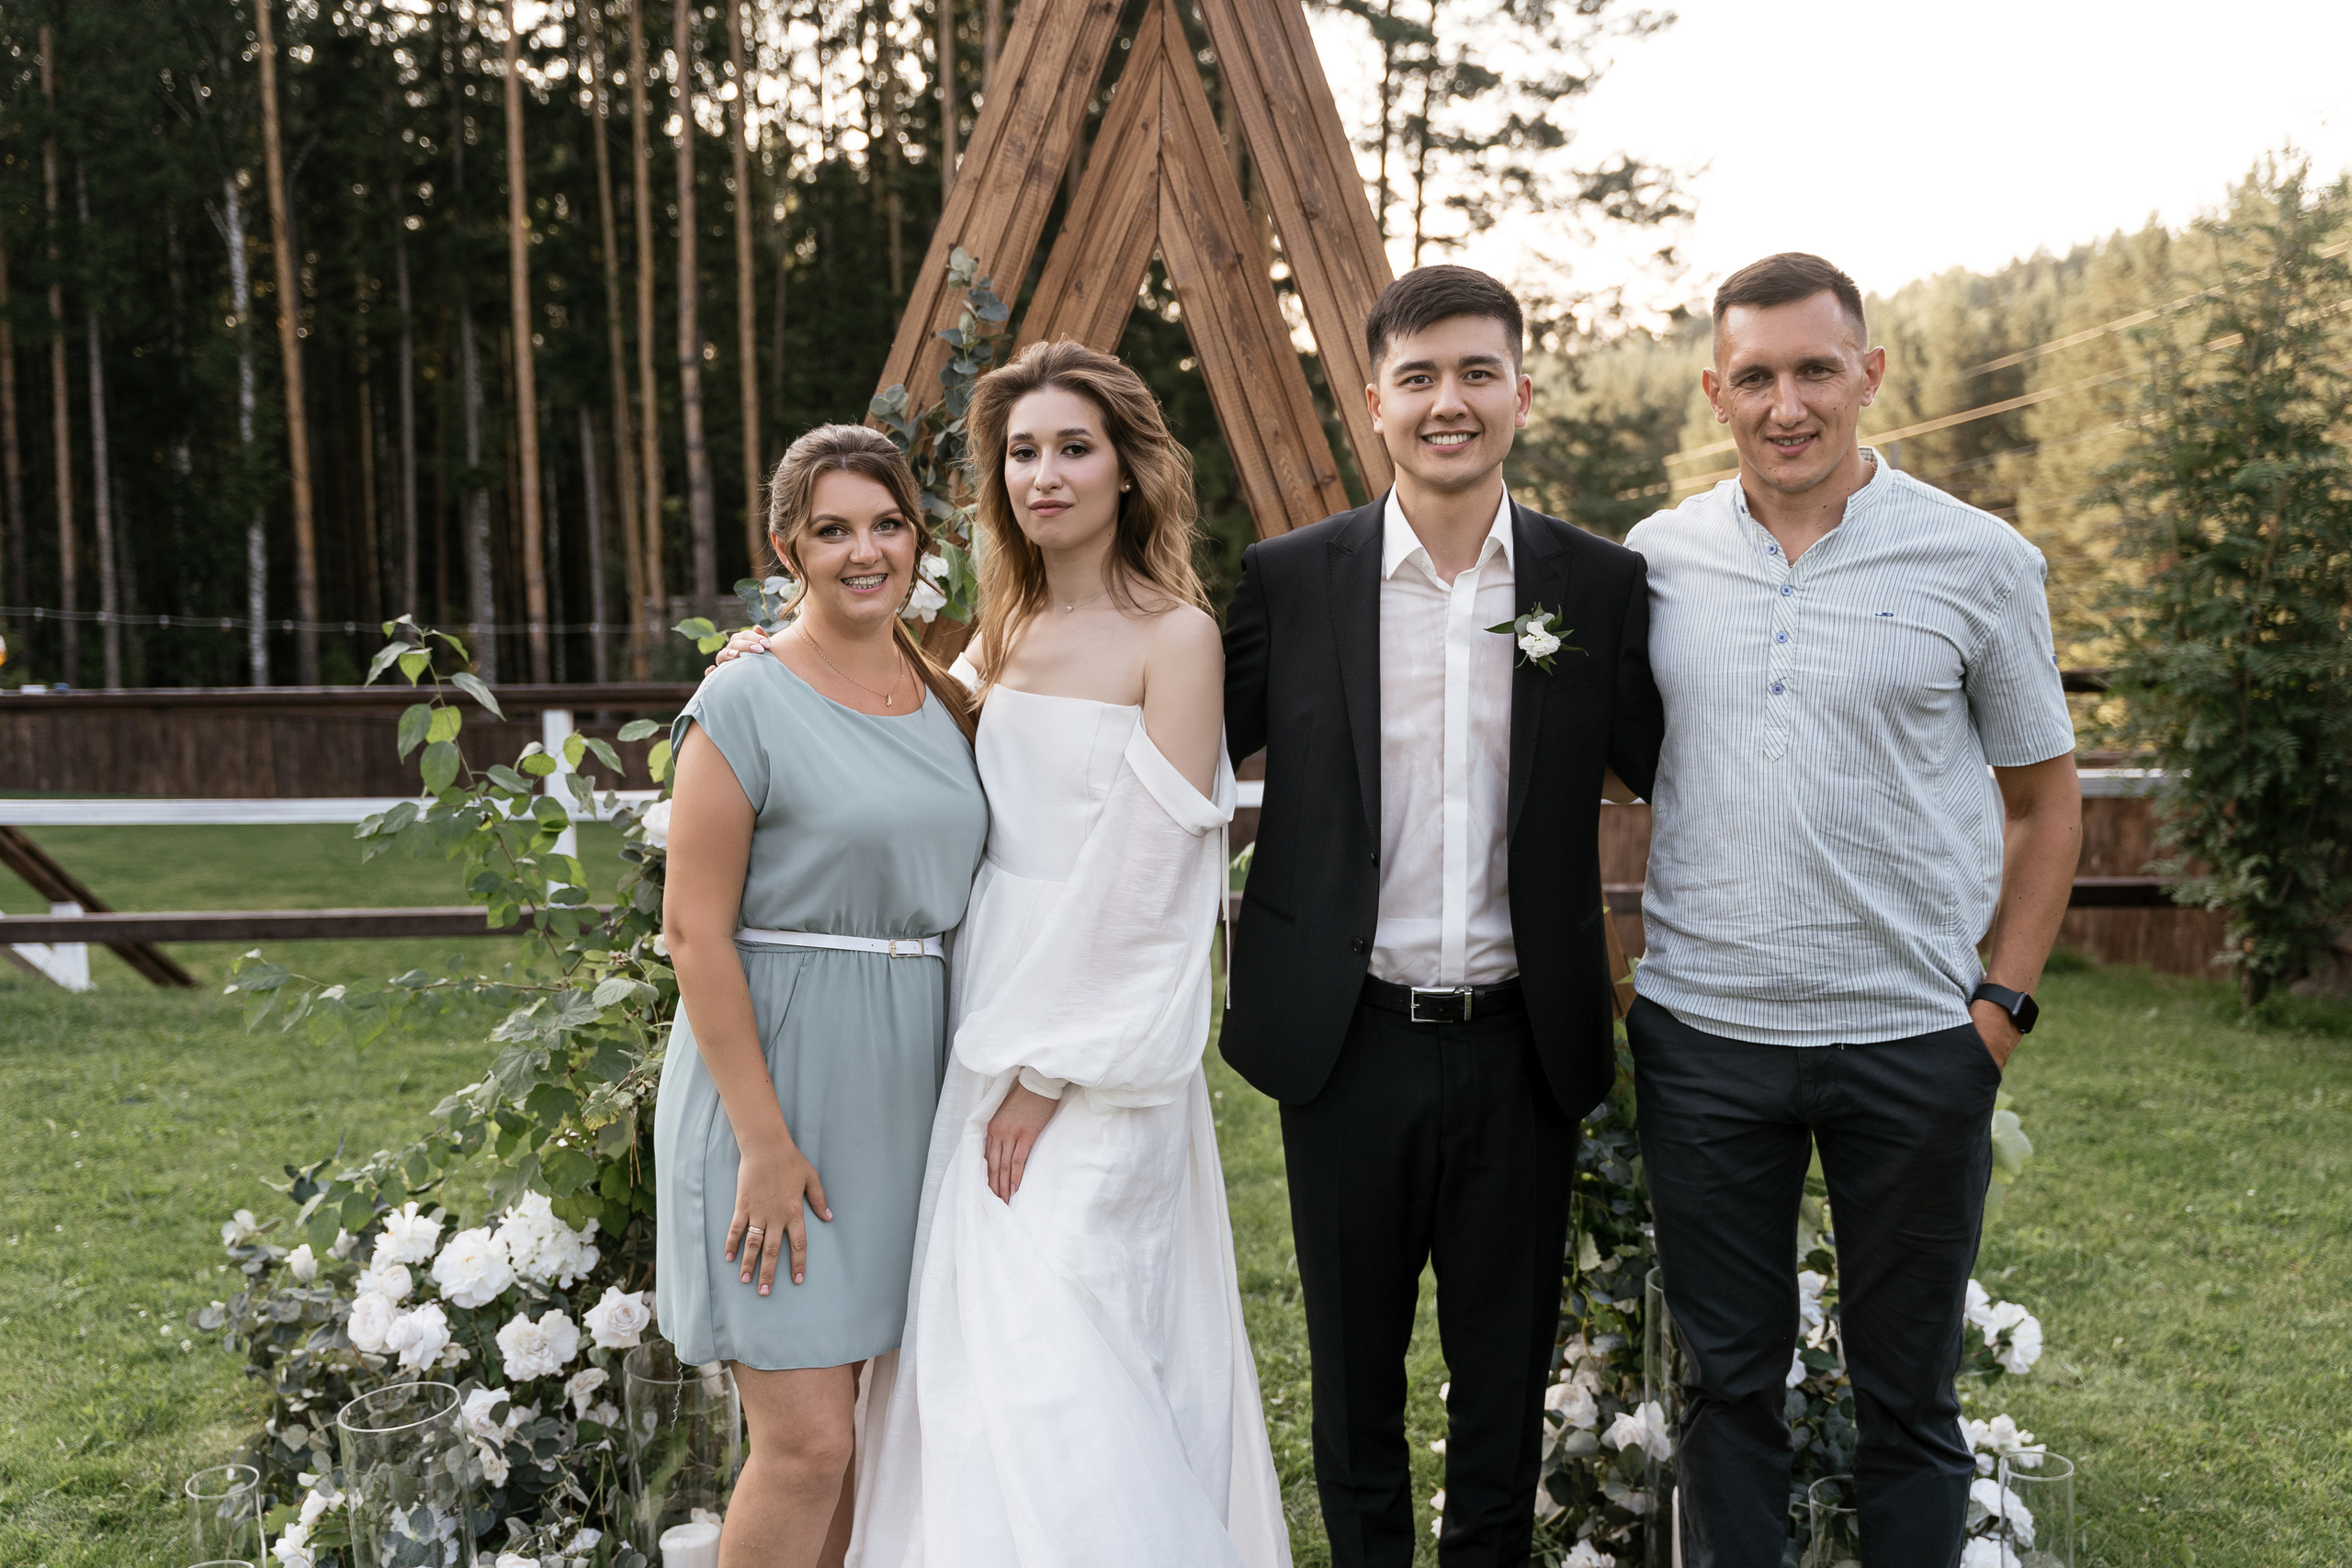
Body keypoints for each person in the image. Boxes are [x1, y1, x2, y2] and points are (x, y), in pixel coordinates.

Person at [1623, 253, 2081, 1566]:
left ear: (1869, 373)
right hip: (1706, 1042)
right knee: (1726, 1390)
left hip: (1914, 1042)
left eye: (1816, 370)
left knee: (1909, 1399)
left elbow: (2046, 803)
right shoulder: (1654, 561)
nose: (1788, 405)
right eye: (1756, 376)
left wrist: (1999, 1008)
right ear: (1715, 391)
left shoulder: (1978, 559)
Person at [1221, 265, 1666, 1567]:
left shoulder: (1598, 584)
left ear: (1522, 393)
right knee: (1352, 1387)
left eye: (1477, 372)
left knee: (1501, 1393)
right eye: (1417, 377)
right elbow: (1159, 733)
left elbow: (1685, 758)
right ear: (1375, 402)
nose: (1448, 402)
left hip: (1524, 1045)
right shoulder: (1291, 579)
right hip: (1344, 1040)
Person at [655, 423, 990, 1568]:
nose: (865, 551)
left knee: (860, 1442)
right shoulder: (744, 698)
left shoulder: (946, 697)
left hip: (904, 1097)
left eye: (888, 524)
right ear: (786, 546)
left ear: (919, 539)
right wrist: (763, 1143)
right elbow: (692, 932)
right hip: (775, 1087)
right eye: (833, 529)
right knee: (805, 1445)